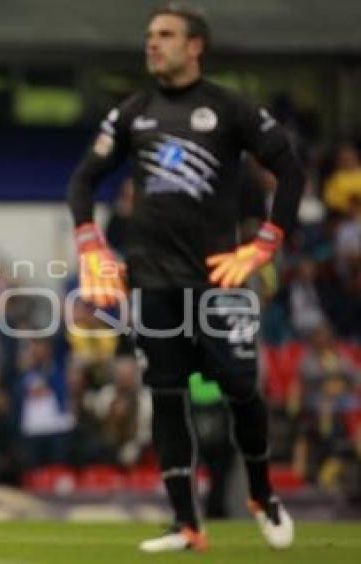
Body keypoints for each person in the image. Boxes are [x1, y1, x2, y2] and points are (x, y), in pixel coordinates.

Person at [66, 4, 304, 553]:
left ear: (195, 46)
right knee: (165, 393)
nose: (152, 44)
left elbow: (289, 168)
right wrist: (89, 240)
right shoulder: (134, 111)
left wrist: (267, 242)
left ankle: (264, 496)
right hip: (152, 282)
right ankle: (185, 523)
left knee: (242, 388)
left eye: (165, 35)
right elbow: (84, 179)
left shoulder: (228, 107)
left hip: (218, 280)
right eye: (150, 35)